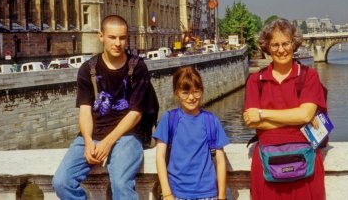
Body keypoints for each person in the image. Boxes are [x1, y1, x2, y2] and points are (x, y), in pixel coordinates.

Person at [52, 15, 153, 200]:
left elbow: (136, 113)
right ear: (101, 36)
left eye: (122, 38)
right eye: (112, 37)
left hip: (127, 134)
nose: (118, 43)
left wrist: (107, 142)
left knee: (121, 184)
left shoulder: (137, 67)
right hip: (95, 134)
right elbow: (85, 110)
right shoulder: (88, 69)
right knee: (62, 182)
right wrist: (89, 141)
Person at [243, 19, 327, 199]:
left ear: (294, 44)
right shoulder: (256, 81)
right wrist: (295, 120)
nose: (281, 50)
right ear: (267, 47)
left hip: (305, 163)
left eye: (286, 43)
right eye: (275, 45)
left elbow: (305, 115)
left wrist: (262, 114)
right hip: (267, 164)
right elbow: (250, 121)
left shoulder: (308, 76)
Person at [153, 66, 229, 200]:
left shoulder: (211, 121)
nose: (191, 97)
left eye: (196, 92)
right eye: (185, 92)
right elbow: (160, 157)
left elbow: (221, 161)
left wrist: (222, 196)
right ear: (176, 93)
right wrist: (167, 193)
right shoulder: (169, 119)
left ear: (202, 91)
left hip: (208, 193)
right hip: (176, 193)